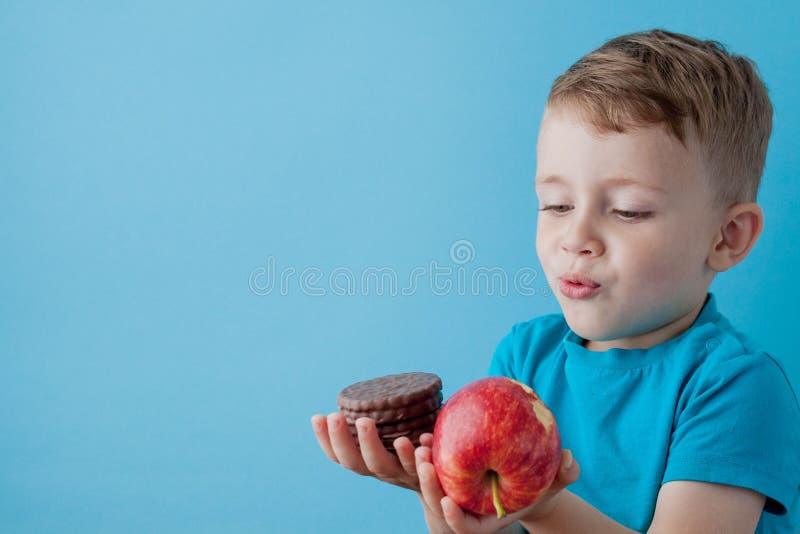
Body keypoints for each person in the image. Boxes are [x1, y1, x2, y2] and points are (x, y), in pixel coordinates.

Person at [311, 28, 800, 533]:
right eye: (557, 205)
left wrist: (544, 505)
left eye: (629, 211)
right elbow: (488, 525)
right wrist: (440, 490)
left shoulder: (736, 388)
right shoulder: (525, 360)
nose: (576, 237)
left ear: (727, 237)